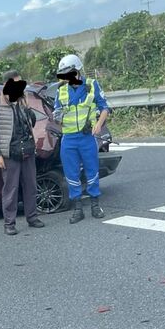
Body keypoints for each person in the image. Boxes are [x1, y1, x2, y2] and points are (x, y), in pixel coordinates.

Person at [0, 71, 45, 236]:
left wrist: (26, 106)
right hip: (9, 154)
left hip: (27, 150)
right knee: (10, 190)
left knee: (31, 186)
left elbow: (32, 122)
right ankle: (9, 223)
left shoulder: (21, 101)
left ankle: (32, 217)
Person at [53, 54, 110, 223]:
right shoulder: (61, 90)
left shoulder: (92, 85)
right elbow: (56, 114)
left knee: (92, 171)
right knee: (71, 174)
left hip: (86, 137)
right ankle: (78, 208)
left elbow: (104, 107)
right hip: (69, 139)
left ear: (77, 70)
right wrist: (58, 117)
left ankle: (95, 205)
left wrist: (98, 124)